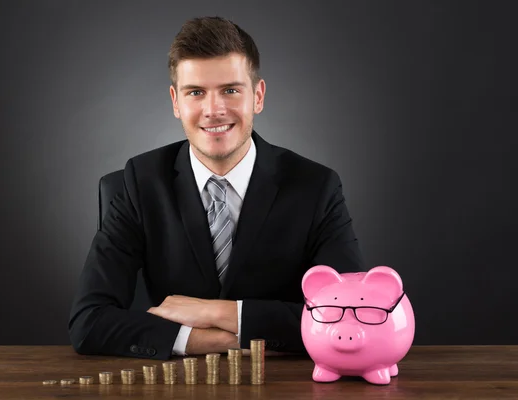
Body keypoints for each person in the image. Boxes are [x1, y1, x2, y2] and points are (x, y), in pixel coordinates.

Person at [68, 16, 365, 360]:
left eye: (230, 90)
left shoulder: (317, 187)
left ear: (258, 95)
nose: (214, 110)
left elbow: (352, 317)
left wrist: (216, 313)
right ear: (176, 102)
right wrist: (226, 340)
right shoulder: (138, 182)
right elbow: (88, 323)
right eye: (196, 93)